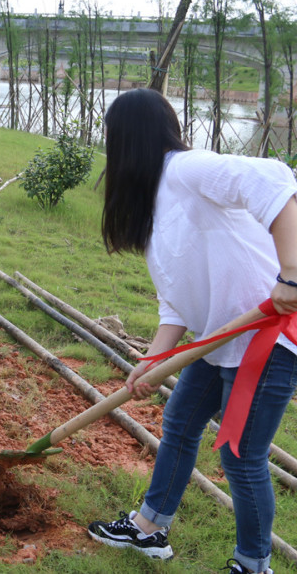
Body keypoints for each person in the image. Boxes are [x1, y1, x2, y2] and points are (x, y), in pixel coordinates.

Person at [87, 88, 297, 574]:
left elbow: (275, 181)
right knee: (179, 425)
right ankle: (149, 527)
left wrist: (290, 272)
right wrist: (152, 360)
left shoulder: (186, 169)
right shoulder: (154, 207)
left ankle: (253, 565)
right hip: (217, 339)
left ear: (128, 140)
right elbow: (176, 301)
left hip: (266, 336)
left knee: (241, 456)